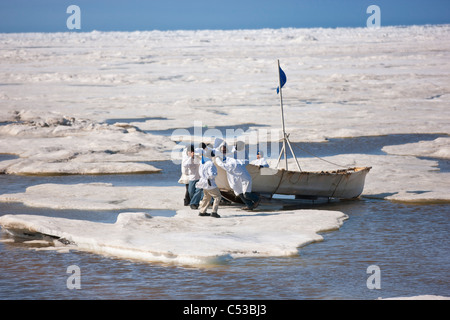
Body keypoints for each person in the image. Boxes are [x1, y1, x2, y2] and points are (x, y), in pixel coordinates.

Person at [215, 144, 260, 210]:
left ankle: (257, 199)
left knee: (246, 194)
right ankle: (249, 205)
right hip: (234, 178)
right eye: (222, 150)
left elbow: (223, 164)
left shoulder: (233, 159)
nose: (223, 151)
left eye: (225, 150)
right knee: (239, 192)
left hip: (243, 177)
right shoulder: (224, 157)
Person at [196, 151, 221, 218]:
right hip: (210, 183)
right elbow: (211, 174)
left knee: (207, 197)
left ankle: (202, 211)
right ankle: (214, 212)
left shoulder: (202, 162)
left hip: (203, 182)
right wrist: (216, 174)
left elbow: (200, 172)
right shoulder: (210, 163)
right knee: (217, 196)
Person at [182, 144, 203, 209]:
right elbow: (185, 165)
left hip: (199, 177)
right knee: (191, 191)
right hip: (192, 178)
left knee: (199, 190)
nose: (191, 153)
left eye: (192, 151)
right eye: (189, 152)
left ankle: (194, 204)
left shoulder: (198, 157)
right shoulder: (186, 159)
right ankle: (193, 202)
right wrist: (191, 157)